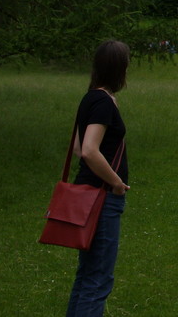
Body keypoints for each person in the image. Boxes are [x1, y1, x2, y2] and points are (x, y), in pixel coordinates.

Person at [66, 40, 131, 317]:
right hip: (102, 196)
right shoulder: (104, 102)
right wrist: (116, 182)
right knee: (98, 279)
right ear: (119, 68)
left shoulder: (89, 97)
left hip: (87, 193)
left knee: (87, 275)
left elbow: (79, 148)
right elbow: (90, 151)